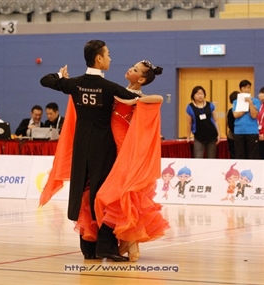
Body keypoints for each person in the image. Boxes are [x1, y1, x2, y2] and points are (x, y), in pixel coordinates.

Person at [39, 40, 150, 262]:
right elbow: (138, 99)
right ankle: (105, 247)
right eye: (108, 55)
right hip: (103, 149)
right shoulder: (109, 88)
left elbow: (45, 80)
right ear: (98, 59)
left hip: (81, 148)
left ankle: (87, 248)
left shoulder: (75, 84)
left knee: (83, 193)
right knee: (104, 197)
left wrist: (61, 77)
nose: (110, 58)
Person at [94, 60, 168, 262]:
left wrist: (134, 101)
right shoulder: (121, 90)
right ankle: (128, 243)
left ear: (141, 79)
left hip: (125, 148)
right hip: (113, 147)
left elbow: (159, 98)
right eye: (132, 67)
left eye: (135, 70)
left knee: (120, 193)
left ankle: (130, 243)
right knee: (123, 195)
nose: (130, 69)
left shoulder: (138, 96)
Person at [186, 86, 220, 158]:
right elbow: (189, 123)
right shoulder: (190, 107)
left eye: (202, 94)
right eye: (197, 94)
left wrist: (219, 134)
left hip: (212, 136)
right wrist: (188, 137)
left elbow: (216, 120)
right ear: (193, 95)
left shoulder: (210, 105)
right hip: (199, 137)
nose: (200, 96)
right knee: (198, 158)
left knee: (211, 158)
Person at [232, 80, 260, 159]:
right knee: (240, 155)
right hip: (239, 131)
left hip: (252, 131)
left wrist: (250, 103)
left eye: (248, 87)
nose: (247, 89)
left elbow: (254, 115)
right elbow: (235, 115)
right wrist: (246, 109)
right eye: (244, 87)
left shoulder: (256, 101)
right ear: (241, 89)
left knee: (253, 155)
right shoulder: (235, 102)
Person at [226, 91, 239, 159]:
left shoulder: (244, 111)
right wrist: (238, 133)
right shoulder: (230, 111)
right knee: (233, 154)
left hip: (242, 136)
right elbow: (230, 124)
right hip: (233, 137)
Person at [257, 87, 264, 159]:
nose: (259, 95)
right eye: (260, 93)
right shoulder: (261, 106)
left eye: (262, 93)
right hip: (260, 135)